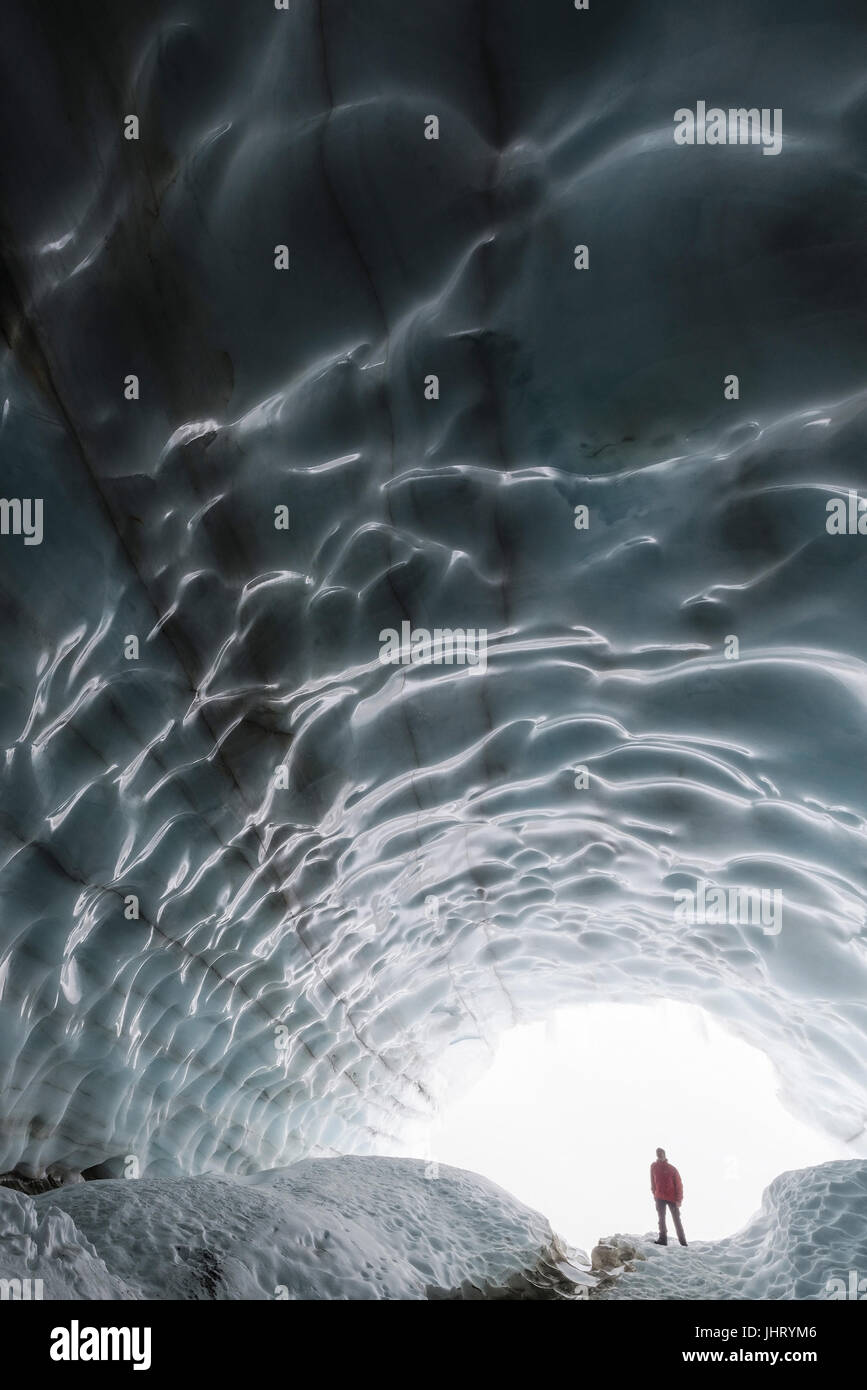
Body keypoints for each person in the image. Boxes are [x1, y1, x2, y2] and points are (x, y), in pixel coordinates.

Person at [650, 1147, 687, 1246]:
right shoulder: (653, 1166)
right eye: (658, 1154)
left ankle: (683, 1242)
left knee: (677, 1220)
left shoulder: (672, 1169)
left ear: (665, 1155)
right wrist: (655, 1193)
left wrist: (679, 1199)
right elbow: (652, 1182)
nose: (660, 1156)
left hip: (672, 1199)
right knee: (661, 1219)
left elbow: (679, 1185)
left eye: (661, 1154)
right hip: (659, 1197)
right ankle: (663, 1239)